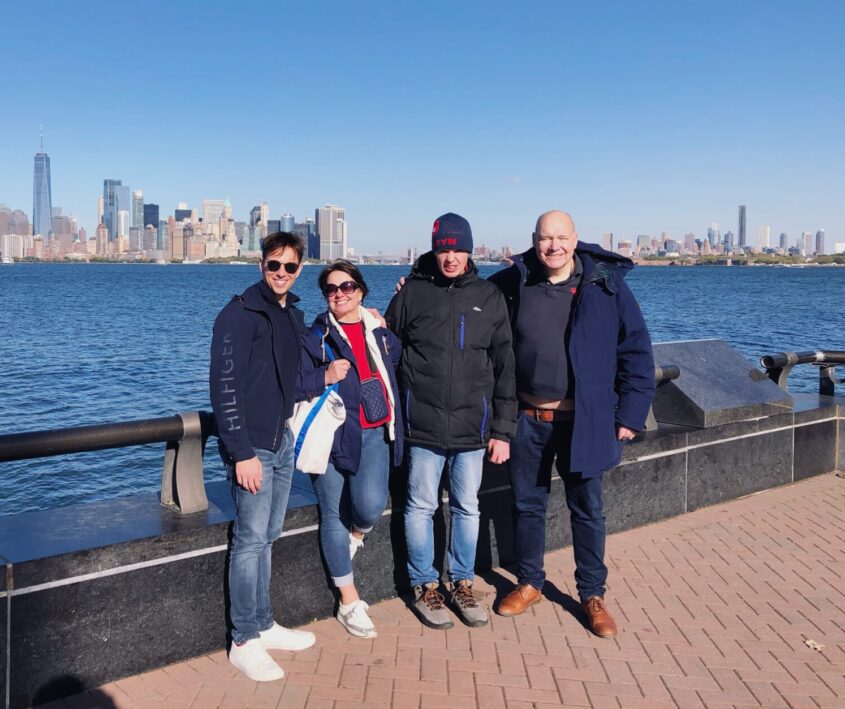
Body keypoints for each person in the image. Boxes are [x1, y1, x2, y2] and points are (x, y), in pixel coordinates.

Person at [488, 210, 654, 637]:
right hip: (528, 418)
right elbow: (466, 305)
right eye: (546, 238)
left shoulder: (606, 285)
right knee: (527, 505)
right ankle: (529, 582)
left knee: (588, 509)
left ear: (576, 239)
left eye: (561, 238)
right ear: (534, 240)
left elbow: (636, 352)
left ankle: (592, 594)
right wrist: (413, 286)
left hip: (586, 420)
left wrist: (630, 416)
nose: (553, 246)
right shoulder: (514, 282)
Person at [209, 231, 348, 681]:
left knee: (268, 535)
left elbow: (291, 381)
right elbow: (224, 389)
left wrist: (323, 374)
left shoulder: (291, 316)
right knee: (250, 541)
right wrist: (241, 452)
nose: (282, 273)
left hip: (282, 440)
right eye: (274, 265)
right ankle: (243, 639)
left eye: (290, 267)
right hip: (252, 446)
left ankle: (264, 623)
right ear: (261, 265)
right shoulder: (238, 315)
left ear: (300, 268)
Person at [385, 212, 516, 630]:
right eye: (444, 249)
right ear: (434, 249)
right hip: (421, 425)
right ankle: (425, 585)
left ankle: (462, 582)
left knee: (467, 507)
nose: (451, 257)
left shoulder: (489, 296)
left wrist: (502, 430)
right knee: (420, 507)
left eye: (458, 249)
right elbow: (385, 348)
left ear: (470, 250)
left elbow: (504, 366)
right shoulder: (412, 293)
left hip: (472, 430)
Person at [304, 260, 403, 639]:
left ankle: (356, 537)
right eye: (331, 289)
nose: (339, 294)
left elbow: (395, 362)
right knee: (332, 512)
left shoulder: (379, 331)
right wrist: (324, 375)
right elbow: (300, 380)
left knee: (370, 505)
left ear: (360, 290)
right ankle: (348, 600)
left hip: (375, 432)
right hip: (330, 437)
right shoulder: (316, 335)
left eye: (346, 287)